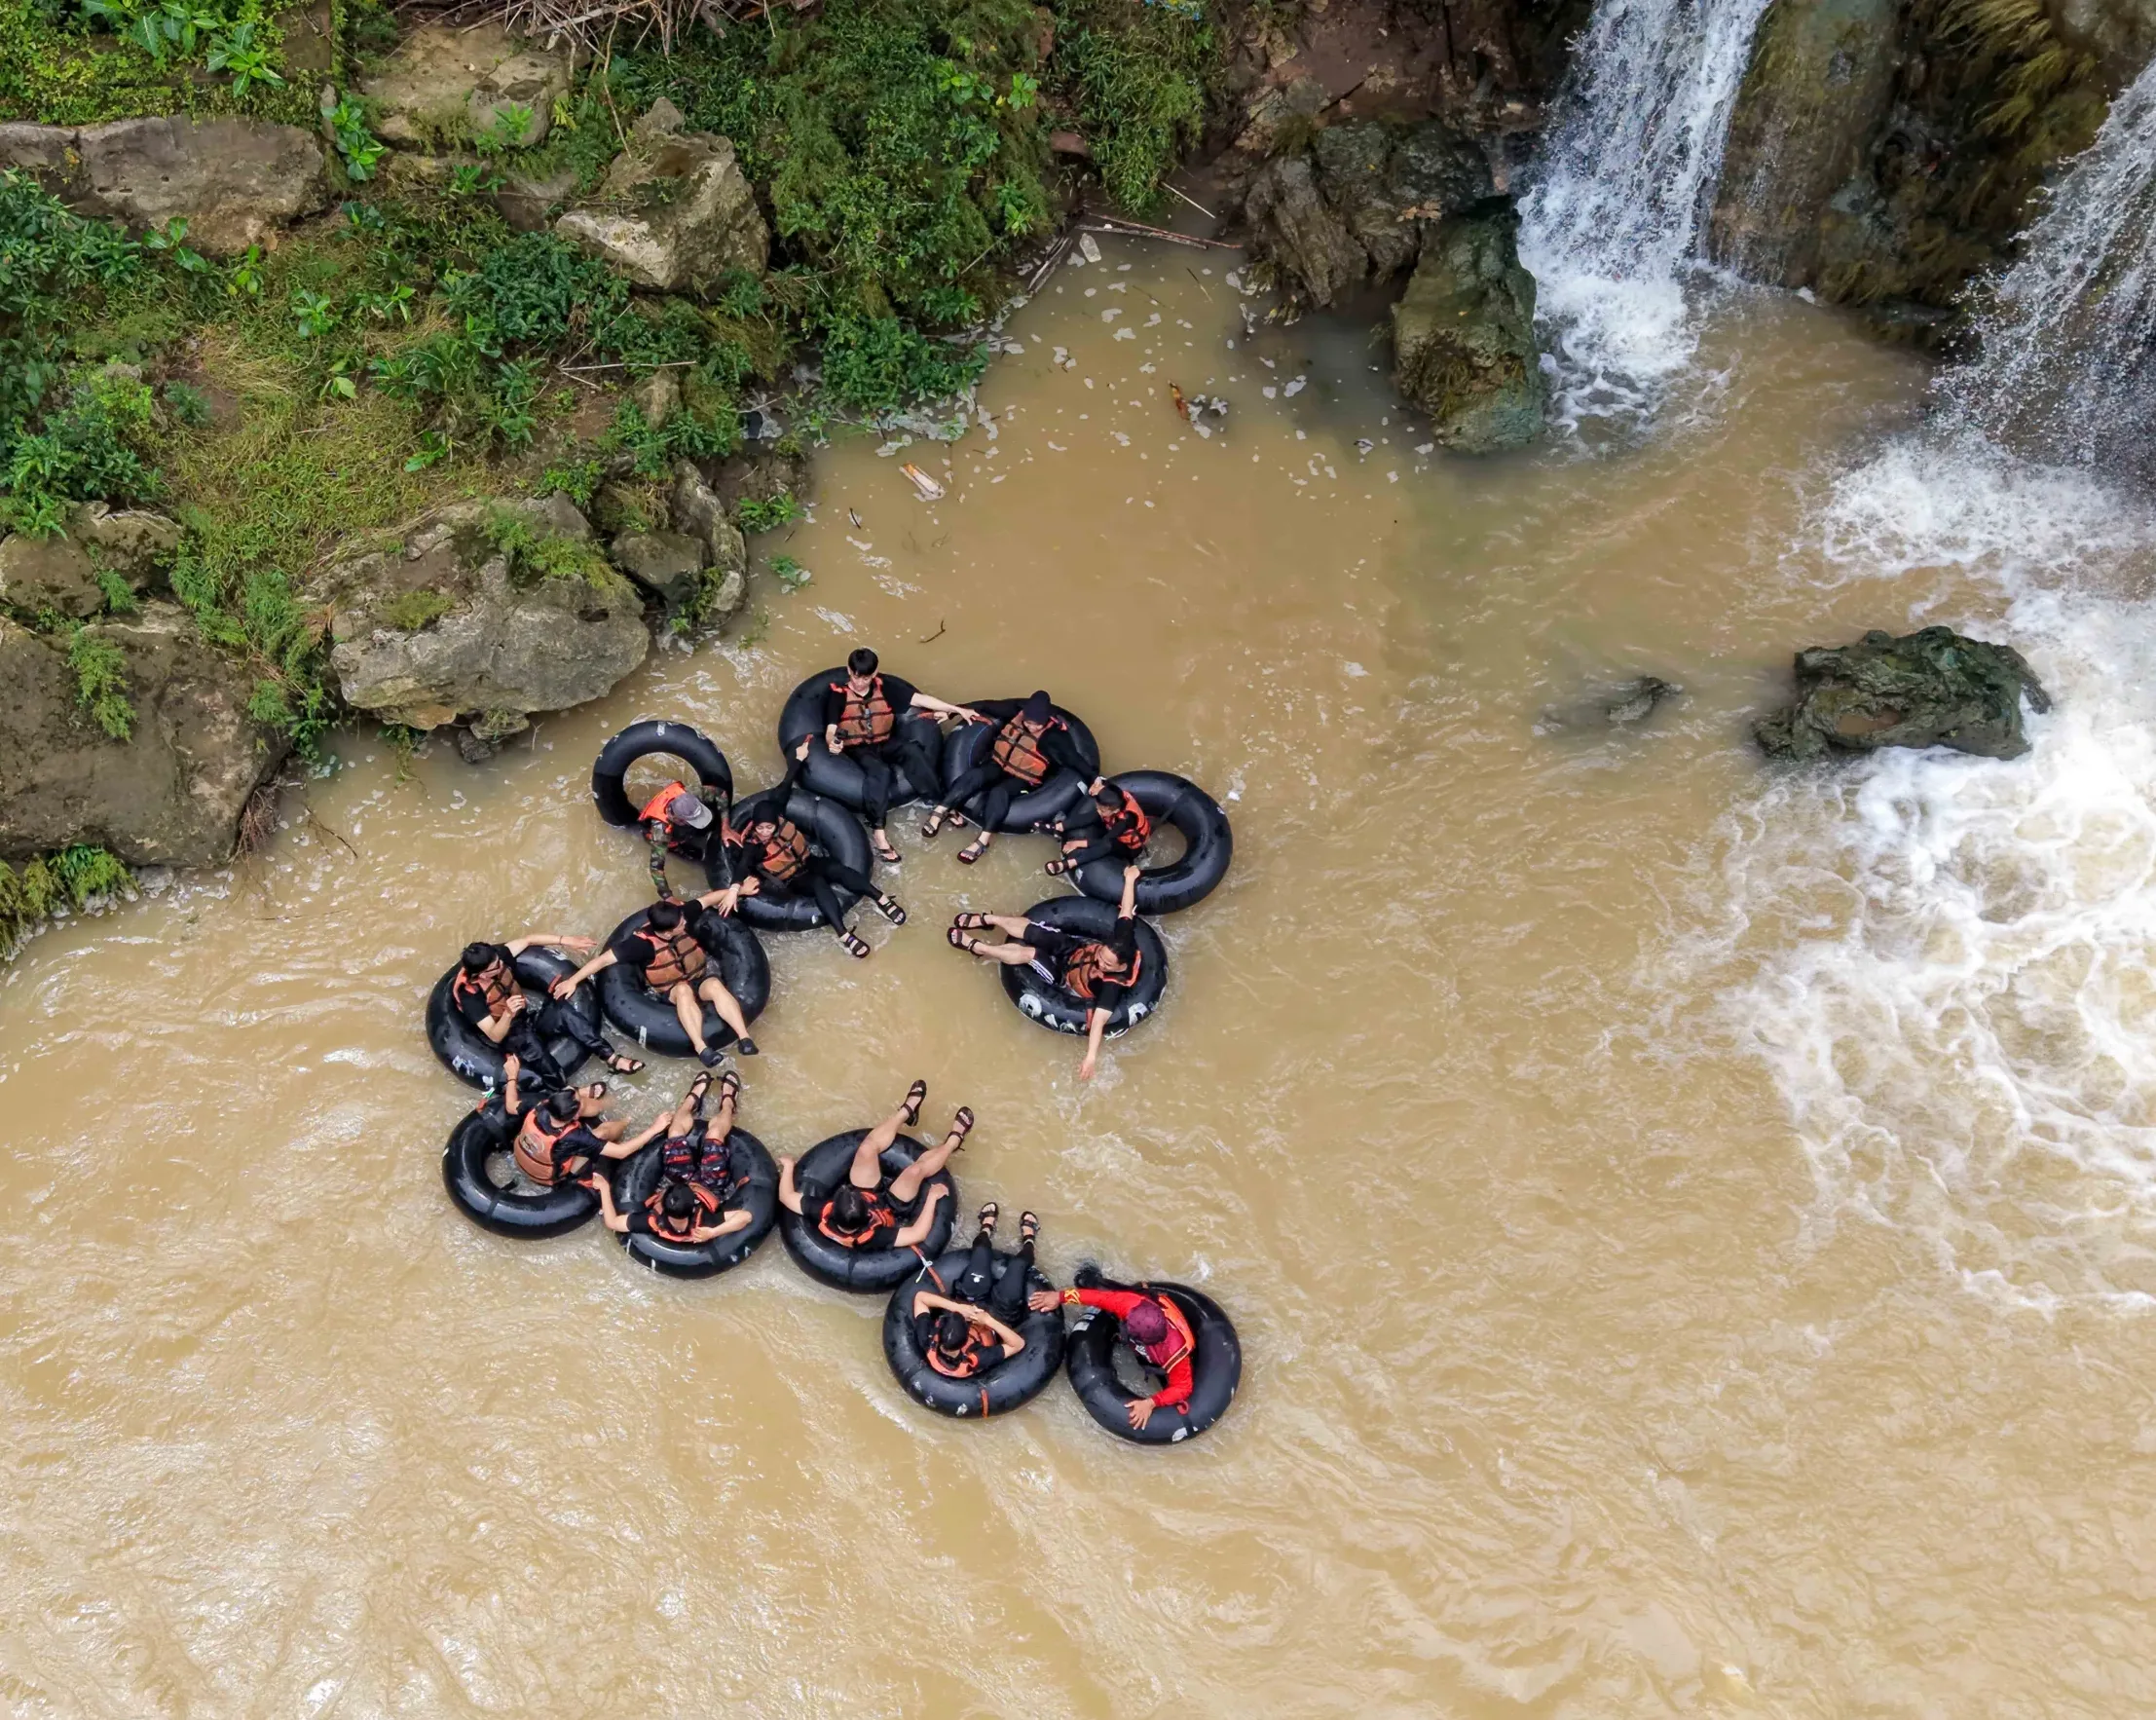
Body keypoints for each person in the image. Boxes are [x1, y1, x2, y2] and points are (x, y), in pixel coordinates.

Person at [947, 863, 1144, 1078]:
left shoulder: (1112, 986)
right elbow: (1126, 910)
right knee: (1036, 932)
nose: (1100, 962)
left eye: (1106, 964)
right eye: (1101, 956)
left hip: (1065, 978)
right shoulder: (1122, 939)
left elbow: (1098, 1022)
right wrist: (1131, 878)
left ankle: (979, 948)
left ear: (1119, 965)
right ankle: (989, 920)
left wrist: (1090, 1057)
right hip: (1076, 951)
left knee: (1031, 954)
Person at [723, 738, 908, 958]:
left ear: (775, 821)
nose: (764, 831)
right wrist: (734, 889)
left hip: (808, 859)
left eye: (768, 827)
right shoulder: (754, 846)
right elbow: (743, 865)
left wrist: (799, 758)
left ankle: (881, 899)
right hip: (792, 878)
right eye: (761, 827)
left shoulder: (778, 810)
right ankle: (844, 935)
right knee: (818, 883)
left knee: (837, 870)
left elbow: (786, 782)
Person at [549, 895, 758, 1066]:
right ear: (668, 931)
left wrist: (736, 889)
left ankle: (744, 1037)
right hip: (672, 988)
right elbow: (602, 960)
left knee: (714, 985)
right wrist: (572, 981)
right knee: (684, 991)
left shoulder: (682, 915)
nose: (685, 922)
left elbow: (708, 899)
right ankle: (701, 1047)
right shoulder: (640, 945)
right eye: (680, 924)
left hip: (699, 977)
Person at [821, 647, 985, 865]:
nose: (860, 682)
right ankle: (879, 833)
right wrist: (832, 742)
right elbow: (831, 729)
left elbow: (921, 700)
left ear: (875, 673)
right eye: (856, 676)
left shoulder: (885, 687)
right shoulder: (838, 695)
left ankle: (938, 804)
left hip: (884, 741)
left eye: (866, 677)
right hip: (858, 747)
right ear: (849, 671)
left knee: (912, 751)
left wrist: (956, 708)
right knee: (880, 771)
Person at [777, 1077, 969, 1252]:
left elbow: (787, 1197)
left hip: (868, 1192)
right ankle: (953, 1142)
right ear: (867, 1216)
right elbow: (917, 1234)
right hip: (891, 1207)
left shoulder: (822, 1210)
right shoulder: (875, 1237)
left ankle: (906, 1113)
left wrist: (788, 1167)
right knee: (915, 1170)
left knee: (866, 1149)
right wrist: (932, 1198)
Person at [586, 1070, 757, 1247]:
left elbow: (613, 1223)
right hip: (710, 1187)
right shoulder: (705, 1221)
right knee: (714, 1135)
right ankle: (725, 1103)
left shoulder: (652, 1221)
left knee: (675, 1133)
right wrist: (712, 1232)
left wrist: (604, 1188)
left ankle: (696, 1101)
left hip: (682, 1179)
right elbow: (746, 1216)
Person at [450, 932, 643, 1087]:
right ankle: (563, 1088)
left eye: (499, 962)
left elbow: (528, 939)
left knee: (563, 1010)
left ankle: (611, 1057)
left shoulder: (498, 957)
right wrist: (508, 1013)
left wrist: (566, 940)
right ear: (481, 975)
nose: (501, 965)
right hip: (508, 1034)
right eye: (495, 967)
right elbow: (495, 1036)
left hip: (526, 1018)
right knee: (531, 1046)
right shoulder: (471, 997)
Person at [921, 690, 1092, 864]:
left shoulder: (1054, 737)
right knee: (975, 775)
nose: (1031, 727)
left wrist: (1095, 781)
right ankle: (940, 811)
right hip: (998, 765)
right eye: (1029, 722)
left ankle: (983, 841)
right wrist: (953, 711)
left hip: (1024, 779)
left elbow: (1075, 760)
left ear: (1046, 719)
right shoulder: (1016, 712)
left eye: (1036, 724)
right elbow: (985, 705)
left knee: (999, 792)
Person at [1029, 1269, 1195, 1431]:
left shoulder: (1176, 1352)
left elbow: (1183, 1387)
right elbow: (1100, 1298)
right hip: (1141, 1313)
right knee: (1091, 1284)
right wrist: (1059, 1297)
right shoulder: (1131, 1304)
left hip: (1161, 1351)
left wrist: (1151, 1402)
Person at [911, 1203, 1042, 1380]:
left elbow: (920, 1298)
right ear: (966, 1337)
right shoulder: (977, 1359)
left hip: (970, 1300)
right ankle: (1029, 1240)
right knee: (1018, 1266)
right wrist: (987, 1320)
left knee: (980, 1251)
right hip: (997, 1316)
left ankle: (986, 1227)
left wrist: (960, 1308)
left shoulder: (927, 1339)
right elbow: (1018, 1344)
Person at [499, 1054, 670, 1186]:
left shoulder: (539, 1108)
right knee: (603, 1131)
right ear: (574, 1117)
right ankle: (628, 1118)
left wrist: (512, 1076)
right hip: (547, 1175)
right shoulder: (575, 1137)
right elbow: (621, 1152)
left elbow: (510, 1105)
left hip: (523, 1158)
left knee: (585, 1103)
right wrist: (654, 1128)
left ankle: (608, 1103)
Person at [1045, 776, 1152, 878]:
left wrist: (1078, 843)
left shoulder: (1125, 821)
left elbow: (1104, 841)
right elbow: (1106, 784)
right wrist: (1098, 785)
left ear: (1116, 810)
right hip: (1113, 827)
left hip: (1129, 848)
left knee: (1107, 845)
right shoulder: (1116, 796)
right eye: (1098, 806)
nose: (1099, 810)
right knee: (1096, 815)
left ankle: (1068, 864)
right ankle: (1058, 827)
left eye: (1102, 810)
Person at [639, 780, 718, 898]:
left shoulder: (691, 794)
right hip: (673, 841)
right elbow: (656, 868)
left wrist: (726, 827)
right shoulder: (661, 832)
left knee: (713, 823)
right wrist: (668, 896)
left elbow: (721, 794)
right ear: (677, 819)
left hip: (683, 828)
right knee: (697, 858)